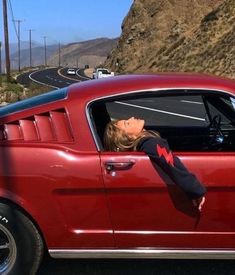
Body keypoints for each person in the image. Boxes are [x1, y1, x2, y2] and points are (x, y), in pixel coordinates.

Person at [104, 117, 206, 211]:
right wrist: (195, 190)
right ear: (129, 137)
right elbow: (170, 163)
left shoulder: (146, 143)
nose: (131, 118)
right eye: (127, 123)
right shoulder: (150, 144)